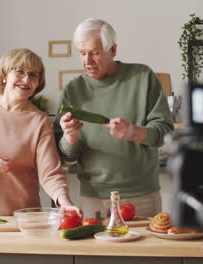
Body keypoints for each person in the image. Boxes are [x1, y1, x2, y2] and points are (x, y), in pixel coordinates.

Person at [55, 18, 173, 218]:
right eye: (82, 53)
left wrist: (133, 132)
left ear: (113, 50)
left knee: (144, 250)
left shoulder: (142, 77)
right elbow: (66, 156)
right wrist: (69, 137)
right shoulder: (73, 90)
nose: (87, 62)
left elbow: (165, 134)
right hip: (93, 199)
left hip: (141, 196)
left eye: (94, 53)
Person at [0, 48, 78, 216]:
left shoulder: (39, 121)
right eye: (20, 71)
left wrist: (65, 201)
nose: (26, 79)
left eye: (33, 75)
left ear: (38, 83)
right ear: (4, 75)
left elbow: (51, 173)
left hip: (21, 218)